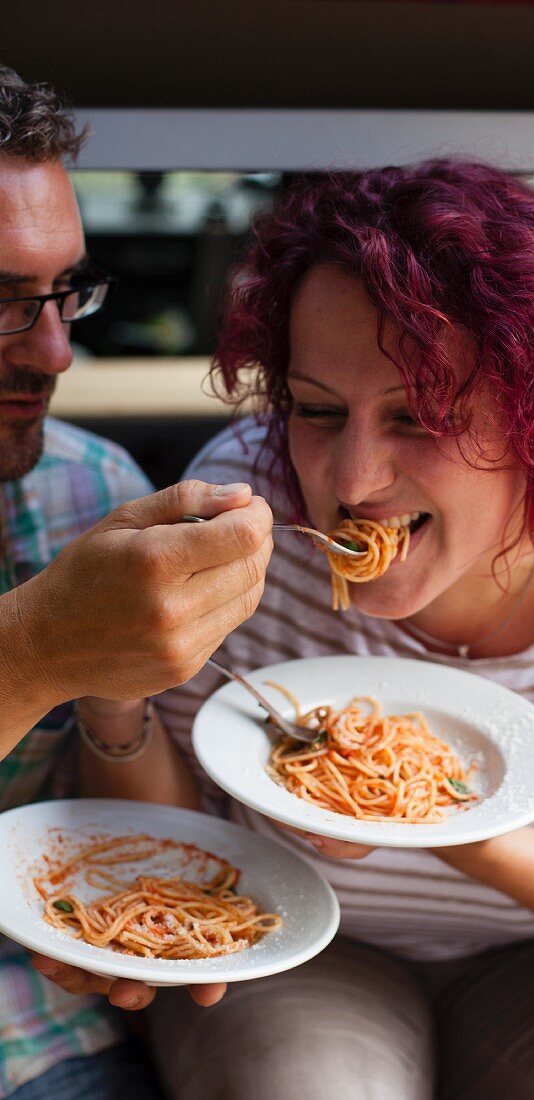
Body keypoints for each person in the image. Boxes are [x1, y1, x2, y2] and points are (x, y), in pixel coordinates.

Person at [45, 162, 534, 1097]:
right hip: (293, 936)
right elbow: (177, 843)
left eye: (421, 416)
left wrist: (449, 828)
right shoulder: (246, 502)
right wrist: (114, 690)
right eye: (318, 410)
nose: (353, 480)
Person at [0, 65, 272, 1098]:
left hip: (56, 1037)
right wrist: (34, 648)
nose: (57, 351)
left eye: (64, 291)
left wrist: (114, 677)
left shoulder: (88, 486)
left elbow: (126, 836)